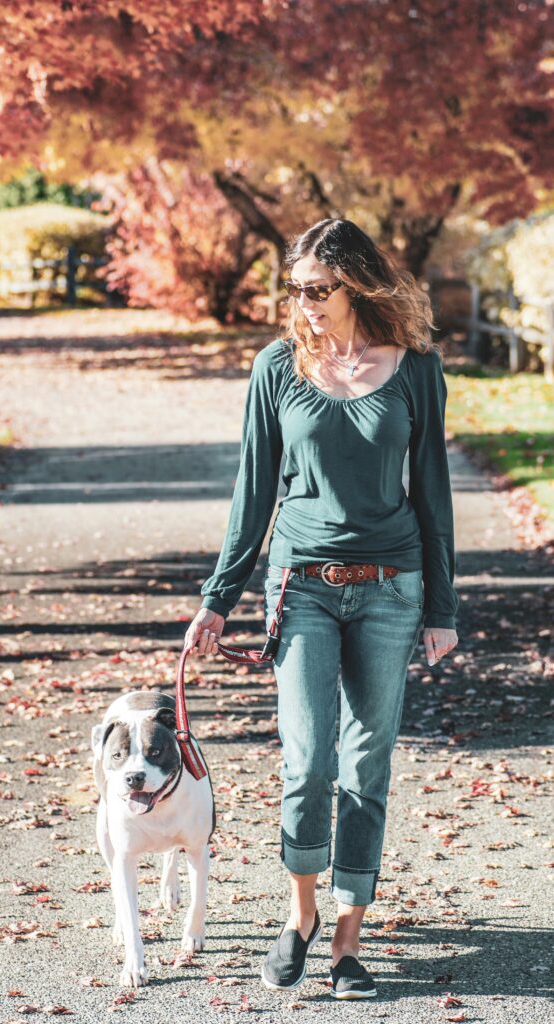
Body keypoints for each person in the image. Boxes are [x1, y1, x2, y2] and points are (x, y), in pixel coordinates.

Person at [183, 218, 459, 999]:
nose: (300, 304)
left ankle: (346, 938)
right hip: (299, 584)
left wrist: (442, 604)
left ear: (355, 287)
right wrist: (218, 600)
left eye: (315, 290)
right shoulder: (276, 367)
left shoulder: (414, 372)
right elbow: (253, 491)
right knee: (307, 765)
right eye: (293, 290)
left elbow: (431, 495)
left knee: (366, 763)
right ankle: (298, 915)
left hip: (391, 588)